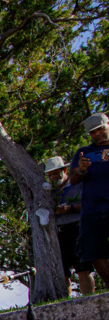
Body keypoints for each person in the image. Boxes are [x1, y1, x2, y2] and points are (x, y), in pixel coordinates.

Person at [68, 112, 109, 286]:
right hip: (92, 210)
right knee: (93, 252)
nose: (97, 133)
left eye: (100, 129)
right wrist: (81, 170)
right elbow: (72, 180)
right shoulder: (84, 152)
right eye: (92, 132)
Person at [45, 156, 94, 295]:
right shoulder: (48, 191)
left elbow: (90, 204)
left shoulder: (78, 184)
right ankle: (65, 301)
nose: (53, 177)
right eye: (50, 175)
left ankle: (88, 299)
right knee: (62, 273)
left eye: (55, 173)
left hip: (78, 229)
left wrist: (71, 208)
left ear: (64, 170)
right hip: (58, 233)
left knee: (83, 269)